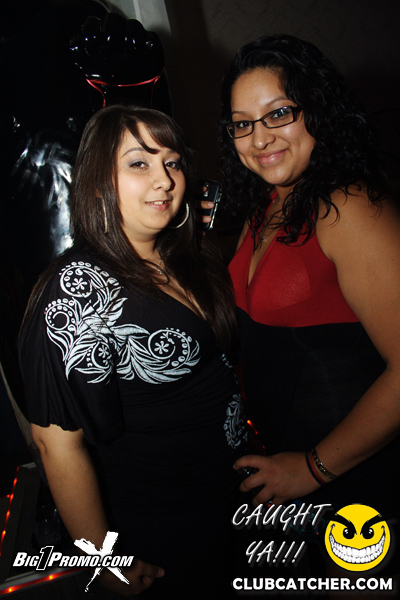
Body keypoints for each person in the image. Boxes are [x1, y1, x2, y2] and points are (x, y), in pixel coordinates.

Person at [19, 105, 247, 598]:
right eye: (139, 163)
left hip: (234, 500)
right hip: (166, 525)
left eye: (172, 162)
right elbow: (57, 446)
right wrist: (104, 557)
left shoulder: (189, 255)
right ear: (98, 182)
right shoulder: (78, 291)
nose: (164, 180)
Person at [203, 33, 400, 572]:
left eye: (278, 113)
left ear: (318, 110)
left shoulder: (352, 207)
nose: (259, 137)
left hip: (357, 484)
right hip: (287, 479)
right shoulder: (266, 204)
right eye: (242, 123)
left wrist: (312, 469)